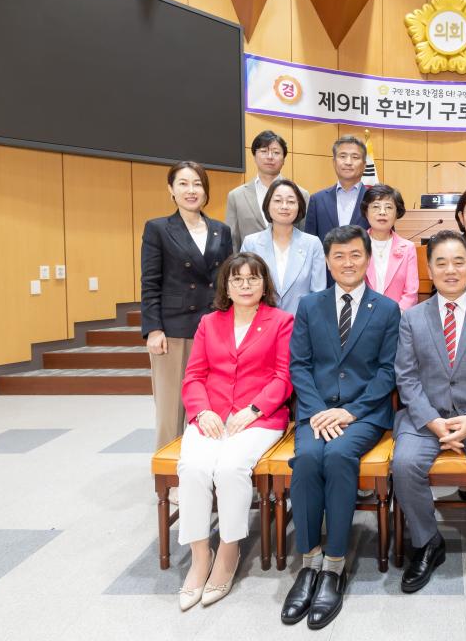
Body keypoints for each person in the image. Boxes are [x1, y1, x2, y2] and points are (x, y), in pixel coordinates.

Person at [281, 225, 400, 630]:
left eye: (355, 255)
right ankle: (308, 563)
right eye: (338, 256)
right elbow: (299, 364)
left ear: (368, 259)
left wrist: (351, 412)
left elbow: (388, 373)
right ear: (328, 261)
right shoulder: (310, 306)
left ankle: (333, 566)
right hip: (316, 412)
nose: (347, 263)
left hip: (363, 414)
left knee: (338, 456)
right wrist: (316, 411)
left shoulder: (386, 309)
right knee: (309, 457)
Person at [392, 230, 466, 596]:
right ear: (429, 267)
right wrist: (432, 421)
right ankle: (428, 542)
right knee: (404, 465)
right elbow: (406, 376)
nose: (450, 270)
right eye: (441, 262)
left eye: (458, 261)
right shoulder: (412, 319)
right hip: (425, 418)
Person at [176, 252, 293, 610]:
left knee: (229, 469)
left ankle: (228, 552)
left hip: (258, 417)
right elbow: (194, 375)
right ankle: (200, 558)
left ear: (264, 284)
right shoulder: (210, 322)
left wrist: (255, 409)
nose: (245, 285)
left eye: (253, 279)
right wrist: (202, 410)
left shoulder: (281, 320)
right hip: (211, 414)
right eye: (237, 279)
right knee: (193, 469)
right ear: (226, 285)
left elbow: (283, 376)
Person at [141, 161, 233, 454]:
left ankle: (204, 468)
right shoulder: (158, 229)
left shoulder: (221, 230)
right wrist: (153, 329)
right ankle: (168, 478)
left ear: (206, 191)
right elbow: (150, 282)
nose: (191, 190)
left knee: (212, 404)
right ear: (171, 189)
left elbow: (225, 281)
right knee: (171, 410)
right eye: (183, 183)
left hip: (215, 327)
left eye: (197, 184)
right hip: (175, 328)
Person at [240, 178, 325, 315]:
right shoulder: (251, 243)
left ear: (299, 207)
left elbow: (318, 293)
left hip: (300, 327)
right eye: (278, 200)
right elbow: (244, 288)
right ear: (267, 204)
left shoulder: (313, 244)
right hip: (260, 324)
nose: (284, 206)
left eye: (291, 201)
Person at [226, 130, 310, 250]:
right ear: (254, 156)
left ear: (284, 159)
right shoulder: (236, 196)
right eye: (264, 151)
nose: (270, 157)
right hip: (250, 266)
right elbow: (232, 241)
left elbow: (304, 236)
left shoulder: (301, 194)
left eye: (276, 152)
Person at [304, 135, 370, 245]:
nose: (348, 162)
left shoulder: (375, 200)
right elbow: (309, 245)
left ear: (364, 165)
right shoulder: (317, 200)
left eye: (355, 157)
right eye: (343, 156)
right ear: (334, 162)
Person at [362, 184, 418, 311]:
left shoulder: (408, 248)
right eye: (376, 207)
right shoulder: (356, 245)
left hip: (396, 320)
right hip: (361, 317)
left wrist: (393, 318)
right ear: (366, 211)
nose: (382, 212)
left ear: (397, 213)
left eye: (388, 207)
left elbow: (411, 293)